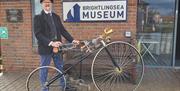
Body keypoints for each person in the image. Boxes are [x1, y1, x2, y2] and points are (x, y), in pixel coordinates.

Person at [34, 0, 79, 91]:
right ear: (42, 4)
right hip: (45, 48)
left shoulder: (56, 17)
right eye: (45, 2)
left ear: (51, 4)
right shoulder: (38, 17)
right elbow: (38, 34)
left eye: (49, 2)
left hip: (58, 48)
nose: (47, 3)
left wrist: (72, 40)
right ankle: (44, 89)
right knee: (44, 69)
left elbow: (63, 30)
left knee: (60, 68)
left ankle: (64, 86)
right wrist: (51, 43)